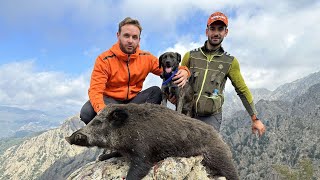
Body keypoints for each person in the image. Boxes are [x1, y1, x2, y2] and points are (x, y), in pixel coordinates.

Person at [80, 17, 190, 124]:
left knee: (156, 91)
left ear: (139, 39)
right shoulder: (104, 59)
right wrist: (102, 111)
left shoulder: (146, 58)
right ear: (118, 36)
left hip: (134, 101)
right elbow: (95, 90)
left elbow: (167, 69)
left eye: (134, 37)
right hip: (111, 101)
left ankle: (138, 124)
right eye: (126, 36)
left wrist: (185, 71)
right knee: (86, 113)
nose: (130, 41)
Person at [181, 12, 266, 136]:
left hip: (211, 117)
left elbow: (242, 90)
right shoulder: (190, 56)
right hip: (187, 113)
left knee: (207, 153)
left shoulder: (230, 62)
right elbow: (178, 81)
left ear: (226, 32)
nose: (216, 33)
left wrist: (255, 118)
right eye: (212, 29)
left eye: (220, 29)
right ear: (207, 31)